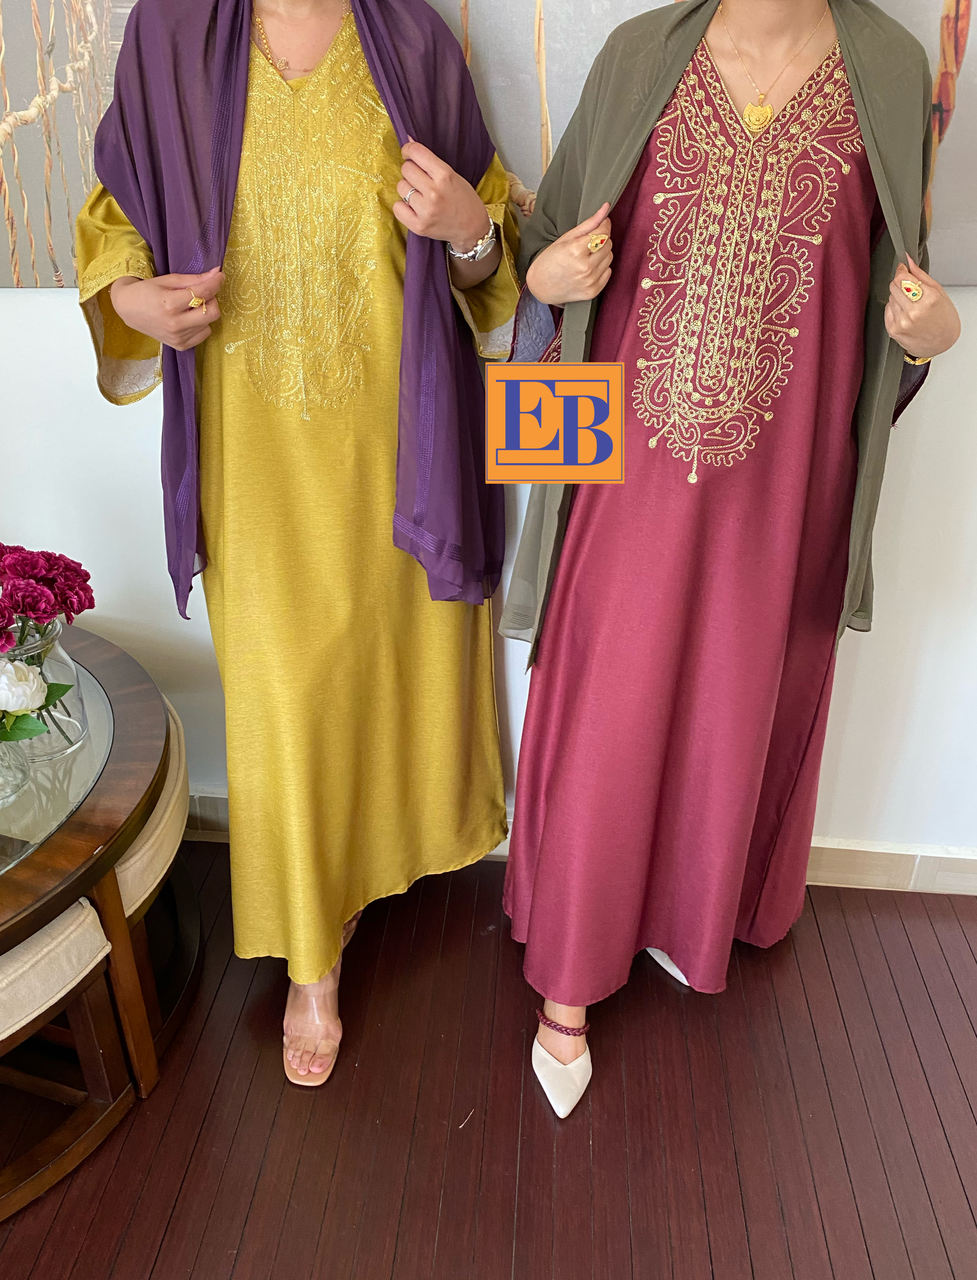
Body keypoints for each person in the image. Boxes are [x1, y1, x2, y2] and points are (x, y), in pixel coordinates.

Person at [500, 0, 961, 1118]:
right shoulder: (640, 55)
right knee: (609, 698)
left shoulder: (889, 68)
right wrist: (546, 283)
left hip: (782, 479)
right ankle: (568, 975)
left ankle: (685, 918)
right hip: (624, 464)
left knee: (728, 699)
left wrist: (929, 337)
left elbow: (891, 281)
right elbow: (542, 255)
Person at [76, 0, 519, 1086]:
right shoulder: (171, 36)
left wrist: (468, 224)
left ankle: (363, 874)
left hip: (398, 446)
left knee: (381, 671)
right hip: (253, 455)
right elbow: (116, 218)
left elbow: (487, 268)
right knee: (280, 692)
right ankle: (310, 960)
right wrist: (136, 299)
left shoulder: (410, 42)